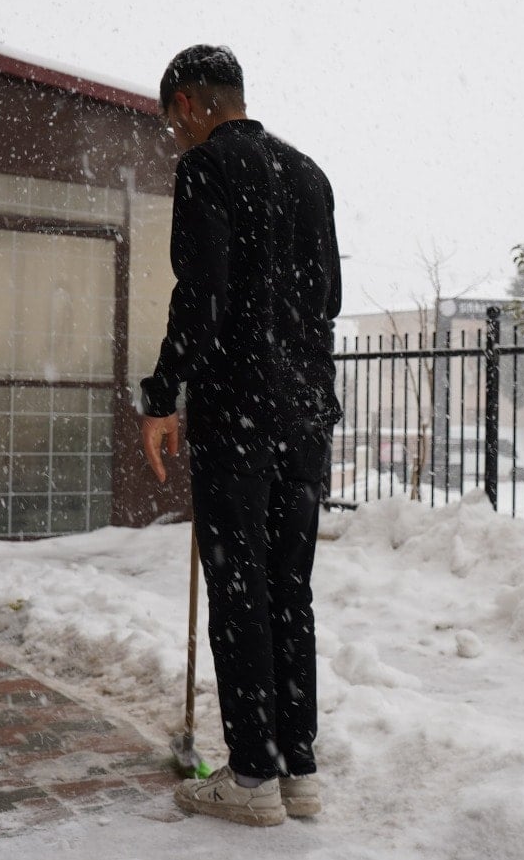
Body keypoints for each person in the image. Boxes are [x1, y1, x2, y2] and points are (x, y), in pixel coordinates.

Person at [140, 45, 343, 827]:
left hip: (239, 414)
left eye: (171, 123)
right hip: (304, 413)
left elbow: (203, 293)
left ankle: (251, 775)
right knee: (290, 590)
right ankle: (299, 769)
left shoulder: (207, 170)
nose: (174, 139)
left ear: (190, 103)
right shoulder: (310, 173)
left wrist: (163, 394)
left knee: (239, 588)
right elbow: (324, 297)